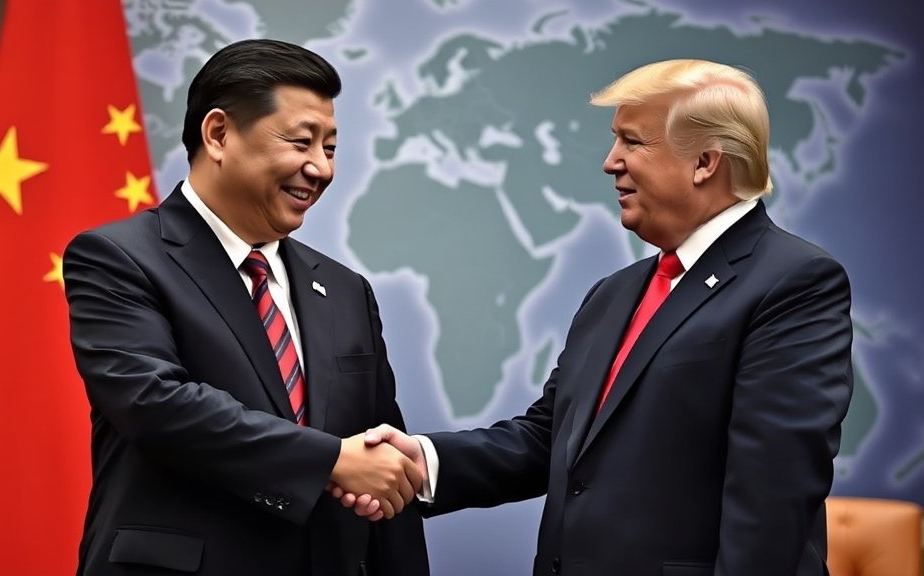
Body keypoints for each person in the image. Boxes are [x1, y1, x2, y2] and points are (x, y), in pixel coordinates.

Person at [349, 59, 854, 575]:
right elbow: (549, 440)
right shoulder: (615, 293)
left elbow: (772, 498)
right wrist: (421, 462)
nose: (610, 162)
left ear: (704, 162)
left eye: (633, 142)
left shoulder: (794, 282)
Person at [64, 39, 429, 576]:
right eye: (301, 142)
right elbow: (155, 403)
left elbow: (383, 467)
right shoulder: (118, 258)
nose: (320, 169)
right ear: (218, 134)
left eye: (330, 148)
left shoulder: (347, 290)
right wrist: (331, 460)